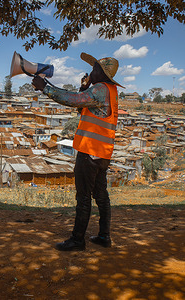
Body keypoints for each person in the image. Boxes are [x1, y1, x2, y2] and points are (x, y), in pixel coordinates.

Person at [32, 52, 123, 251]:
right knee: (100, 195)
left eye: (95, 69)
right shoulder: (110, 91)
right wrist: (84, 88)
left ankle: (77, 240)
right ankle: (104, 236)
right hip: (102, 153)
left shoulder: (100, 89)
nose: (91, 71)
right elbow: (84, 108)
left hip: (89, 152)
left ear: (102, 74)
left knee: (83, 197)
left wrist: (45, 87)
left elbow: (72, 100)